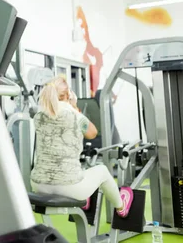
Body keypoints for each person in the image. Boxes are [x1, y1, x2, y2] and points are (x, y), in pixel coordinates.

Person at [30, 76, 134, 218]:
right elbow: (92, 133)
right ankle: (121, 207)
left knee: (83, 170)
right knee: (102, 170)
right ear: (68, 95)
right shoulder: (74, 115)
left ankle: (85, 200)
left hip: (38, 185)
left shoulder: (38, 115)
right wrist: (74, 107)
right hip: (68, 188)